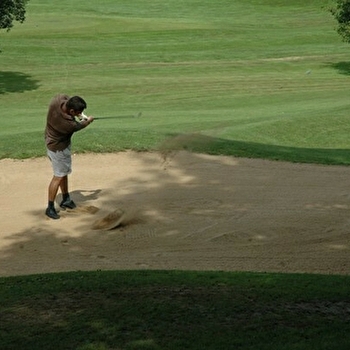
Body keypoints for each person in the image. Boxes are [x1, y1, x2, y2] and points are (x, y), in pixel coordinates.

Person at [44, 94, 94, 219]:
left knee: (63, 173)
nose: (80, 114)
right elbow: (79, 125)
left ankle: (65, 198)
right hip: (58, 149)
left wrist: (80, 114)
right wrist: (88, 120)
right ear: (71, 111)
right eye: (78, 112)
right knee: (58, 176)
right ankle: (50, 208)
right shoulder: (67, 124)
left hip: (52, 141)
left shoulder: (57, 100)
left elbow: (66, 97)